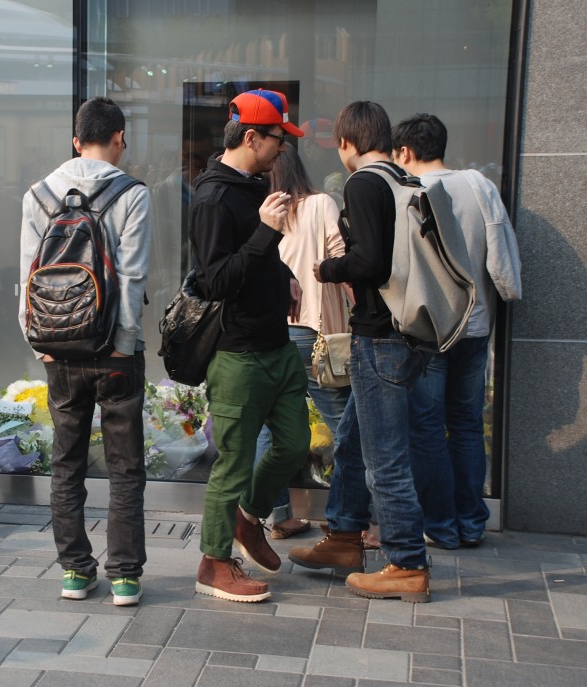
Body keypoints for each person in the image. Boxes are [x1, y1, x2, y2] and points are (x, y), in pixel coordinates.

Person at [291, 101, 432, 603]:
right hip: (408, 333)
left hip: (381, 336)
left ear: (346, 144)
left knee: (384, 458)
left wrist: (328, 270)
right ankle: (345, 536)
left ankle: (407, 564)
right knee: (351, 440)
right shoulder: (404, 180)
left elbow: (368, 262)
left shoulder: (363, 182)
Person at [18, 97, 152, 606]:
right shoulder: (132, 193)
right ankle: (124, 577)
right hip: (114, 352)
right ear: (120, 136)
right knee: (125, 467)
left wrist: (39, 344)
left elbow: (27, 273)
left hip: (58, 347)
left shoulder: (38, 193)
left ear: (76, 140)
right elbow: (134, 275)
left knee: (66, 462)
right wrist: (123, 343)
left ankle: (75, 571)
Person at [189, 89, 310, 603]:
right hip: (237, 352)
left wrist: (284, 276)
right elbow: (214, 281)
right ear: (252, 136)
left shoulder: (251, 185)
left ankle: (247, 517)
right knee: (232, 463)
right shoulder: (214, 197)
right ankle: (214, 562)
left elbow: (256, 259)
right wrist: (266, 233)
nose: (284, 149)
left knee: (294, 444)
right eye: (279, 139)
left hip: (277, 344)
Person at [391, 113, 522, 549]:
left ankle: (441, 527)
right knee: (466, 423)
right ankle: (471, 523)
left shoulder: (409, 191)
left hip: (428, 329)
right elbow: (501, 250)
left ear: (405, 152)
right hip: (476, 325)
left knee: (426, 427)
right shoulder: (478, 184)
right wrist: (507, 290)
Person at [254, 143, 354, 540]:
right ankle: (343, 517)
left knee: (269, 427)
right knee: (345, 427)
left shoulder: (262, 211)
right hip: (313, 333)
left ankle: (274, 516)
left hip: (269, 332)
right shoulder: (322, 204)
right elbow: (341, 260)